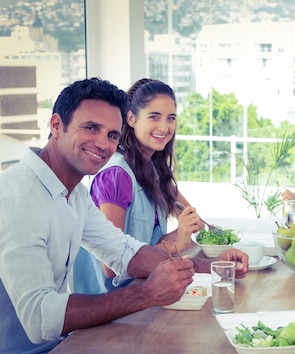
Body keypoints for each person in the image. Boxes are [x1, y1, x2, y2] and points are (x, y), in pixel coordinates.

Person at [0, 78, 248, 354]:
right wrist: (146, 295)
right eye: (90, 128)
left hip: (58, 350)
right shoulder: (18, 197)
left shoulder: (73, 193)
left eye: (112, 134)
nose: (103, 143)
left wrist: (210, 266)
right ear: (56, 125)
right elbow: (41, 319)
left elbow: (126, 253)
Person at [70, 78, 203, 294]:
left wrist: (180, 235)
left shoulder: (153, 168)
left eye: (170, 118)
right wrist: (175, 242)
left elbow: (196, 223)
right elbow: (111, 268)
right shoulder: (117, 175)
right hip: (111, 305)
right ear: (130, 118)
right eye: (154, 117)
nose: (164, 127)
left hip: (143, 288)